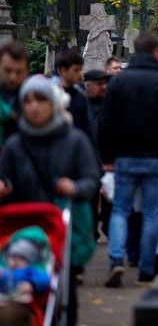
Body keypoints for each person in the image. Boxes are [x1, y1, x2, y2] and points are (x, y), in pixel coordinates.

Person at [0, 75, 99, 326]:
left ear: (52, 104)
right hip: (22, 231)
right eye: (28, 101)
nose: (34, 106)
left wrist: (74, 187)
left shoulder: (75, 141)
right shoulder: (14, 145)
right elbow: (5, 177)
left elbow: (91, 180)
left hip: (63, 231)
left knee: (64, 291)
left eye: (40, 100)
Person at [99, 32, 158, 287]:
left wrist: (107, 156)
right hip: (157, 157)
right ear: (155, 52)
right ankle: (147, 269)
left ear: (134, 50)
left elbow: (106, 121)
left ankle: (116, 259)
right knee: (152, 213)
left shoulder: (119, 82)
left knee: (121, 208)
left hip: (125, 155)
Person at [84, 69, 110, 240]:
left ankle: (108, 226)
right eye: (99, 84)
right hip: (88, 158)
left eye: (104, 84)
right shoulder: (82, 105)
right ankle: (92, 229)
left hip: (107, 157)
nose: (103, 87)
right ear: (88, 86)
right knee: (91, 197)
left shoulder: (110, 104)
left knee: (109, 197)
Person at [0, 226, 51, 298]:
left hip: (19, 298)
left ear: (29, 261)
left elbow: (44, 279)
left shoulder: (30, 270)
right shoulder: (5, 268)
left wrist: (32, 285)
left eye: (21, 258)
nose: (16, 261)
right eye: (13, 257)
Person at [56, 50, 90, 137]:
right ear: (62, 70)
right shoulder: (52, 97)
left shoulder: (82, 97)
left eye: (80, 70)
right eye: (76, 70)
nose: (80, 74)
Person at [0, 42, 29, 145]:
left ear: (27, 71)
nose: (13, 77)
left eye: (19, 72)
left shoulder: (36, 98)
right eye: (8, 71)